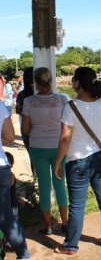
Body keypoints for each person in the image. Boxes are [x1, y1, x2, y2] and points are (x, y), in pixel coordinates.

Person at [54, 66, 101, 255]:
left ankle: (71, 246)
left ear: (79, 83)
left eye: (74, 80)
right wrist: (97, 138)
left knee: (78, 205)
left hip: (77, 161)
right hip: (99, 157)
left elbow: (65, 138)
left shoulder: (71, 106)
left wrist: (58, 162)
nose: (73, 83)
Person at [22, 67, 68, 235]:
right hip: (58, 147)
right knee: (59, 183)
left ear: (35, 82)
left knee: (43, 185)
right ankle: (65, 223)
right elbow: (67, 125)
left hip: (38, 147)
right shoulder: (63, 99)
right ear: (51, 80)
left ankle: (48, 226)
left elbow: (26, 129)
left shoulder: (29, 102)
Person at [0, 101, 30, 259]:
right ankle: (23, 253)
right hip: (1, 167)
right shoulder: (0, 105)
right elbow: (10, 136)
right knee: (6, 218)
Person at [4, 152, 18, 220]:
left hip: (10, 205)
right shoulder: (11, 175)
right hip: (12, 204)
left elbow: (8, 186)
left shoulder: (11, 176)